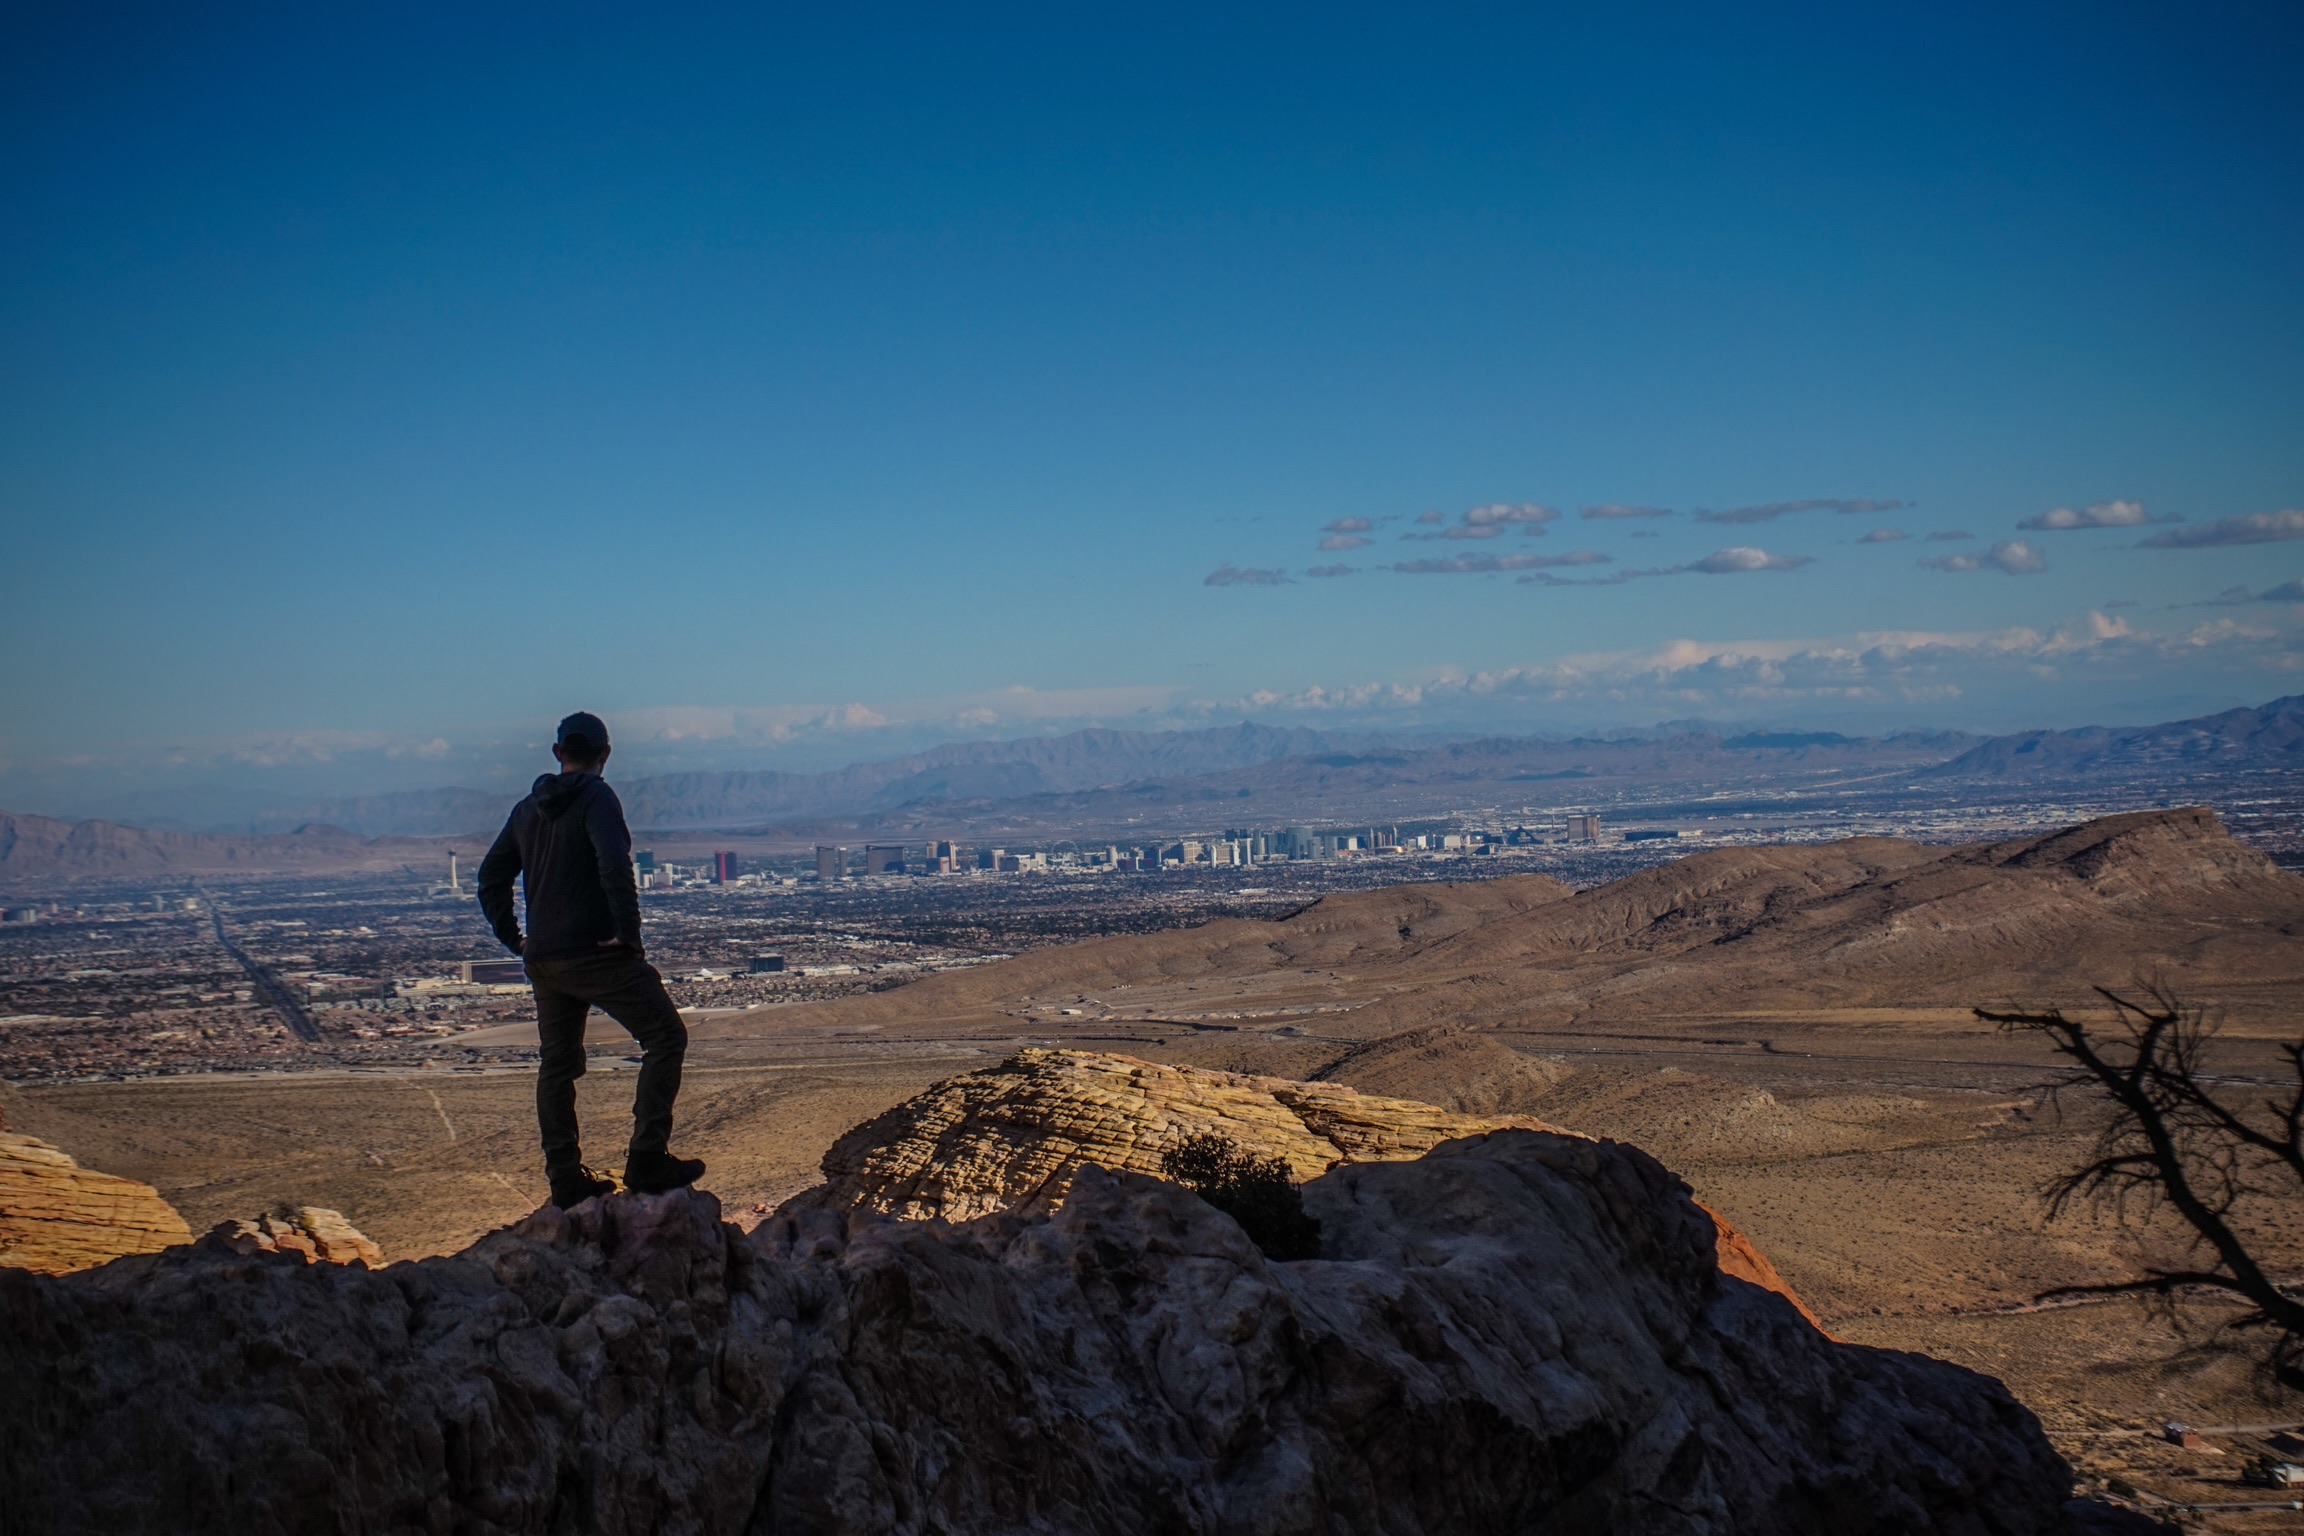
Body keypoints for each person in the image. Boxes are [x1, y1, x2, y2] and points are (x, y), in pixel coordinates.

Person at [477, 711, 704, 1208]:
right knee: (666, 1036)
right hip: (594, 953)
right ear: (606, 753)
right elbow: (614, 864)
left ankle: (564, 1178)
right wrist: (628, 935)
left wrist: (515, 940)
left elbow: (490, 877)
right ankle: (647, 1158)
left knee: (557, 1065)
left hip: (544, 959)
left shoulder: (525, 810)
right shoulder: (598, 797)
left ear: (558, 753)